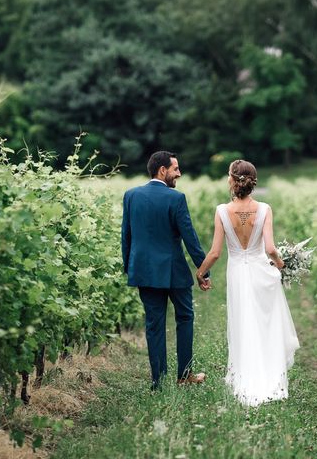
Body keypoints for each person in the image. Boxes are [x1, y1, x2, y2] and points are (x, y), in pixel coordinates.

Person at [195, 159, 299, 406]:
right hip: (260, 271)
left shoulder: (222, 211)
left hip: (237, 272)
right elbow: (271, 249)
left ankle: (244, 375)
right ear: (253, 182)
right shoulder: (264, 209)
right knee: (264, 323)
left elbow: (215, 253)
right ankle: (268, 376)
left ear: (232, 180)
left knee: (242, 321)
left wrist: (201, 273)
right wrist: (282, 266)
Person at [122, 151, 210, 390]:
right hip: (173, 271)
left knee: (154, 324)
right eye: (175, 169)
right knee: (185, 317)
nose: (179, 174)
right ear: (162, 170)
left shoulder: (131, 196)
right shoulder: (176, 198)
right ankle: (184, 375)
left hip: (143, 270)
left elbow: (126, 236)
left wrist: (128, 267)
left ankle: (157, 380)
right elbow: (189, 237)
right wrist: (204, 270)